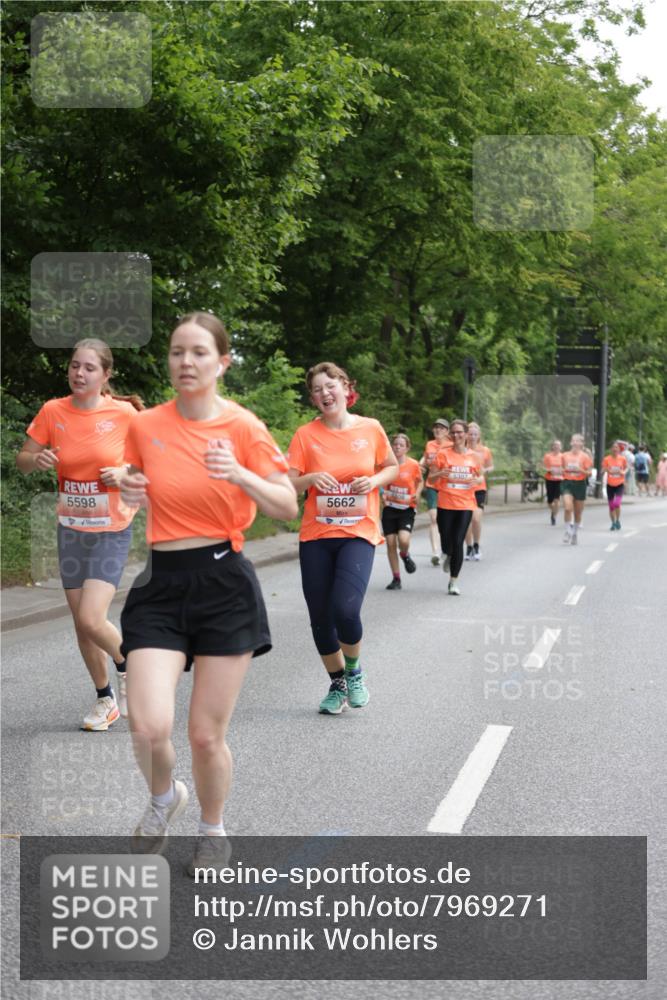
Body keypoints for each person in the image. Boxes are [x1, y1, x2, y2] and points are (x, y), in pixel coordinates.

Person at [118, 312, 297, 870]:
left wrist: (239, 475)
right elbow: (130, 488)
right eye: (177, 352)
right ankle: (164, 796)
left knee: (203, 735)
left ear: (222, 361)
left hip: (224, 582)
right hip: (161, 582)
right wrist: (128, 487)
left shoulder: (243, 427)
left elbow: (288, 505)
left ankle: (213, 828)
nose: (186, 362)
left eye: (198, 352)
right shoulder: (144, 425)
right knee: (147, 725)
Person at [17, 339, 143, 730]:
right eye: (74, 366)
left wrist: (125, 473)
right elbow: (22, 462)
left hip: (111, 529)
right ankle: (105, 699)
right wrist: (37, 459)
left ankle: (130, 666)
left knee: (91, 618)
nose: (79, 373)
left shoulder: (124, 414)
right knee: (81, 623)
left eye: (89, 367)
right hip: (70, 529)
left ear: (106, 375)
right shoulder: (53, 411)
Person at [287, 362, 398, 714]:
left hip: (358, 532)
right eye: (317, 390)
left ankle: (353, 671)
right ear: (313, 399)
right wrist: (311, 479)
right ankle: (336, 683)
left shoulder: (371, 428)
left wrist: (375, 482)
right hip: (316, 535)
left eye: (330, 386)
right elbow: (288, 481)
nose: (324, 394)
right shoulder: (306, 435)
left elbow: (391, 466)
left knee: (345, 608)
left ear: (346, 387)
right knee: (320, 617)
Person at [429, 419, 482, 595]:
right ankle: (447, 553)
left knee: (458, 541)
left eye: (460, 432)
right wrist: (439, 473)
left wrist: (477, 480)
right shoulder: (442, 454)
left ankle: (453, 581)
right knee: (446, 539)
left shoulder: (475, 456)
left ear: (466, 434)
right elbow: (431, 479)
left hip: (465, 504)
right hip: (445, 503)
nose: (456, 435)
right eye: (453, 432)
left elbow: (481, 477)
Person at [381, 433, 423, 590]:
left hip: (406, 509)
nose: (397, 447)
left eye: (401, 445)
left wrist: (417, 493)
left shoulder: (413, 465)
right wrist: (382, 493)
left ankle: (405, 554)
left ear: (407, 448)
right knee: (391, 543)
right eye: (395, 444)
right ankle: (396, 578)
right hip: (390, 508)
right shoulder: (386, 464)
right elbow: (380, 482)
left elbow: (420, 482)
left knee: (403, 540)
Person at [419, 419, 451, 565]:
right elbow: (425, 459)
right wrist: (420, 466)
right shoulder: (429, 445)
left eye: (441, 428)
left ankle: (446, 548)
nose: (438, 430)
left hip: (447, 487)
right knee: (433, 518)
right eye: (436, 428)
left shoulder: (451, 445)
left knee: (444, 520)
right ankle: (435, 552)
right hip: (432, 484)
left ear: (447, 431)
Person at [464, 421, 494, 560]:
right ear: (466, 435)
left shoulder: (485, 450)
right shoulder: (462, 449)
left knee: (476, 519)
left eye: (475, 434)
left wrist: (484, 471)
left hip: (479, 488)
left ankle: (476, 544)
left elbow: (490, 467)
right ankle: (469, 547)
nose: (472, 436)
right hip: (464, 489)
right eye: (470, 434)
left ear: (479, 435)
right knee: (466, 519)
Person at [560, 433, 593, 545]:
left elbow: (589, 473)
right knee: (568, 508)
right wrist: (560, 470)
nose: (575, 443)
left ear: (582, 444)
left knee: (578, 513)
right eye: (573, 440)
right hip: (567, 483)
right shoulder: (564, 455)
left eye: (578, 441)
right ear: (570, 442)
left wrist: (581, 470)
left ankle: (574, 533)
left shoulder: (585, 457)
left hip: (580, 484)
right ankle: (567, 531)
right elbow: (561, 468)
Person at [601, 441, 627, 530]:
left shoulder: (622, 459)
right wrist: (606, 470)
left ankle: (618, 520)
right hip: (610, 484)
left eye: (617, 447)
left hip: (620, 484)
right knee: (611, 506)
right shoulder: (606, 459)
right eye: (613, 447)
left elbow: (626, 468)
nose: (615, 449)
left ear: (619, 449)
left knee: (617, 503)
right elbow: (603, 469)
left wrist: (623, 472)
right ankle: (613, 523)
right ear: (611, 449)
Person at [542, 439, 564, 526]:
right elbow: (544, 467)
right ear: (552, 446)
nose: (556, 446)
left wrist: (561, 471)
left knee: (557, 499)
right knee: (549, 501)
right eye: (555, 445)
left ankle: (554, 517)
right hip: (549, 479)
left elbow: (565, 468)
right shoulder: (548, 456)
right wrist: (550, 470)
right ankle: (553, 511)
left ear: (560, 447)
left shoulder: (563, 457)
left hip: (559, 480)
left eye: (558, 445)